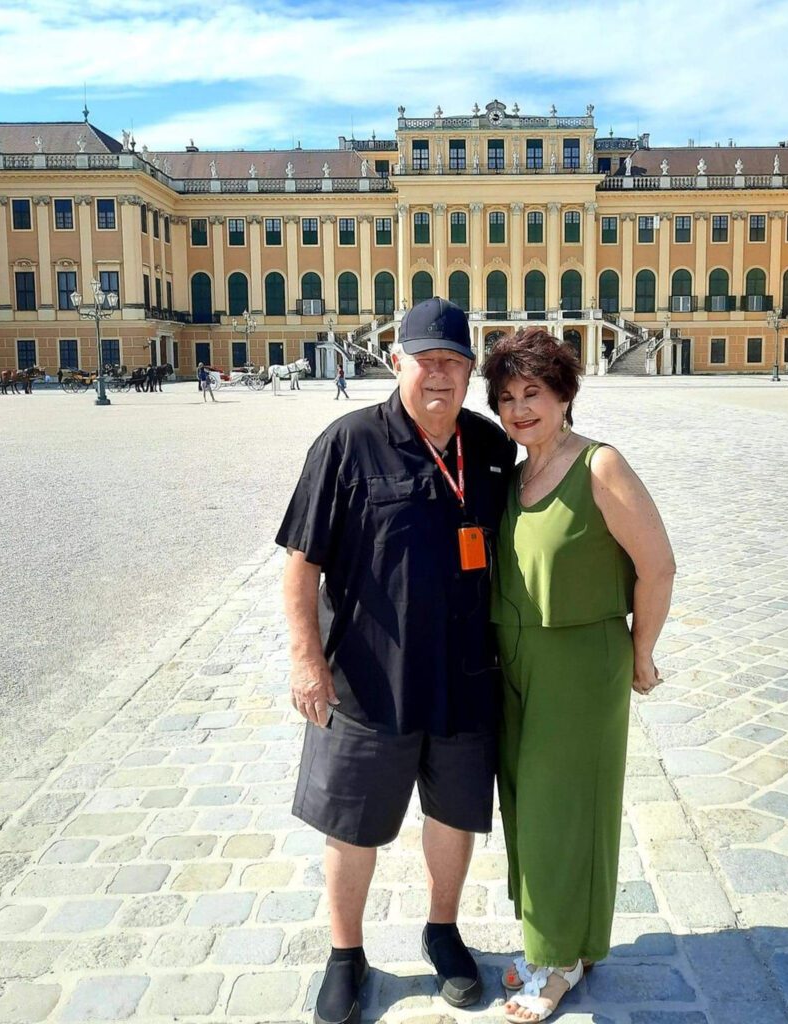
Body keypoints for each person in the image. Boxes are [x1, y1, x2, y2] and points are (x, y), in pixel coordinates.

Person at [277, 297, 515, 1024]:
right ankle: (345, 954)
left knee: (455, 819)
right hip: (366, 681)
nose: (439, 375)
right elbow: (300, 563)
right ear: (395, 361)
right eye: (425, 360)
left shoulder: (491, 446)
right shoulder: (347, 443)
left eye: (453, 361)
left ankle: (442, 931)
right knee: (351, 826)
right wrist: (305, 661)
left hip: (465, 675)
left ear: (471, 371)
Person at [483, 328, 676, 1024]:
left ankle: (557, 960)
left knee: (560, 811)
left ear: (564, 394)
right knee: (527, 808)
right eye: (506, 397)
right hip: (516, 661)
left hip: (580, 662)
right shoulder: (514, 475)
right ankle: (564, 939)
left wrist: (642, 652)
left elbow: (657, 566)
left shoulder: (600, 466)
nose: (520, 409)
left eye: (533, 392)